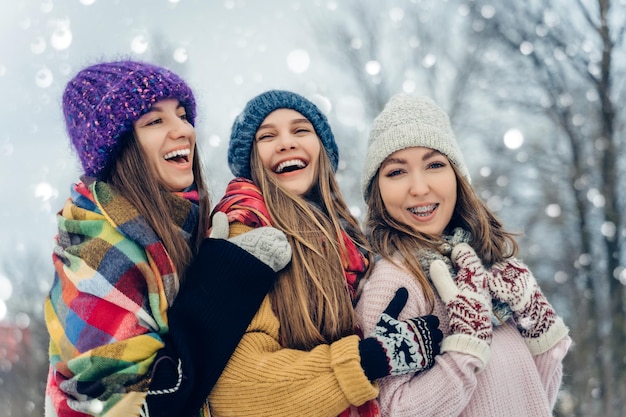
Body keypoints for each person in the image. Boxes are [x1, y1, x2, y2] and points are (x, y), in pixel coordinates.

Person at [44, 60, 291, 417]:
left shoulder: (182, 229)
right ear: (120, 149)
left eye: (181, 115)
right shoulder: (95, 254)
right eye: (155, 121)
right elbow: (136, 406)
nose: (185, 131)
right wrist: (223, 281)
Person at [207, 90, 444, 417]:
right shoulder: (247, 232)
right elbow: (235, 388)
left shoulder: (347, 242)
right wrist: (367, 360)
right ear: (250, 160)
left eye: (301, 130)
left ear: (323, 151)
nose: (287, 142)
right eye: (267, 136)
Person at [355, 94, 572, 416]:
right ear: (378, 192)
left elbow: (531, 398)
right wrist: (466, 347)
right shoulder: (396, 284)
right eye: (397, 172)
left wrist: (543, 336)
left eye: (435, 165)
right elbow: (390, 411)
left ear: (458, 177)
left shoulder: (486, 267)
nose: (419, 187)